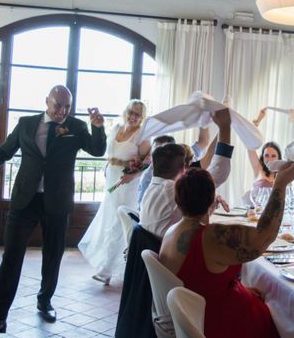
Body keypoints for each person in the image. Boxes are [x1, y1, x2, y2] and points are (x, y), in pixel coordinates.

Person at [0, 85, 106, 333]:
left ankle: (45, 301)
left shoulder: (77, 127)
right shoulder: (25, 124)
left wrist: (98, 127)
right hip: (25, 199)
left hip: (57, 201)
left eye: (67, 106)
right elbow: (3, 152)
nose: (62, 111)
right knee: (11, 257)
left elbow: (97, 150)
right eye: (58, 105)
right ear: (47, 101)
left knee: (53, 256)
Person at [159, 161, 294, 338]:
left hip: (199, 313)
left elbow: (203, 280)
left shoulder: (172, 231)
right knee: (290, 316)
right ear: (212, 197)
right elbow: (265, 236)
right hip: (220, 324)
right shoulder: (210, 237)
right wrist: (280, 183)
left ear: (178, 199)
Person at [78, 99, 151, 285]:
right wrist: (106, 168)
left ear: (142, 118)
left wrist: (132, 176)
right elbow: (108, 151)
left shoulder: (142, 135)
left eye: (137, 114)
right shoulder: (116, 127)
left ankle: (107, 269)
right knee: (108, 218)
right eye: (131, 112)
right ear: (125, 111)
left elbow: (146, 163)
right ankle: (110, 265)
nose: (133, 117)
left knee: (119, 222)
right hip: (112, 178)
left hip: (127, 182)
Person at [139, 109, 233, 238]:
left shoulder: (152, 188)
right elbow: (219, 171)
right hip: (174, 254)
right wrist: (225, 127)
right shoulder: (173, 189)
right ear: (184, 168)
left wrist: (206, 203)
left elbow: (187, 217)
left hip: (158, 248)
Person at [136, 130, 208, 207]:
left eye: (165, 151)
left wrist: (204, 122)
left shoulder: (184, 155)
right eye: (156, 150)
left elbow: (203, 142)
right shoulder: (149, 176)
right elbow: (143, 206)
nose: (161, 155)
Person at [247, 108, 282, 200]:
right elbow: (249, 144)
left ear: (279, 158)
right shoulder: (257, 167)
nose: (269, 159)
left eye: (273, 156)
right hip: (256, 210)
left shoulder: (283, 173)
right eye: (266, 155)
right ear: (262, 156)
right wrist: (258, 120)